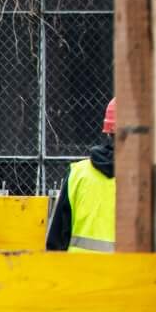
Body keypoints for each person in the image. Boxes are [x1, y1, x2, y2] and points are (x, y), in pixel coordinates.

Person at [47, 99, 118, 253]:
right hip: (127, 274)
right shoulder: (144, 181)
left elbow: (55, 241)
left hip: (79, 274)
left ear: (108, 132)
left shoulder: (78, 174)